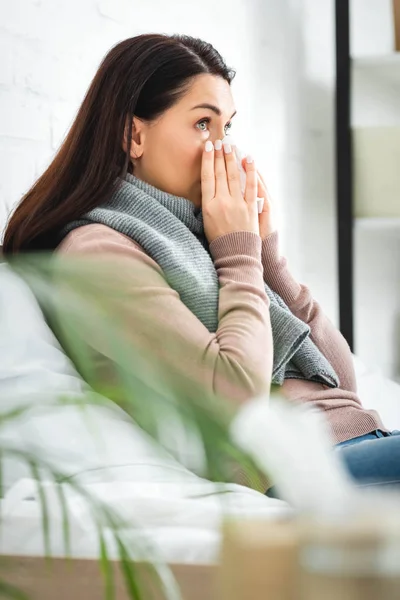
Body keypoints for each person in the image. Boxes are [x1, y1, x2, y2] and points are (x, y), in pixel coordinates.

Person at [3, 33, 400, 490]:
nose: (223, 149)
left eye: (226, 127)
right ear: (134, 134)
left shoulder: (205, 235)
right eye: (201, 125)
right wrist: (240, 252)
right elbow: (234, 398)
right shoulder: (97, 252)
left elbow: (340, 383)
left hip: (360, 443)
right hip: (299, 474)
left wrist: (267, 252)